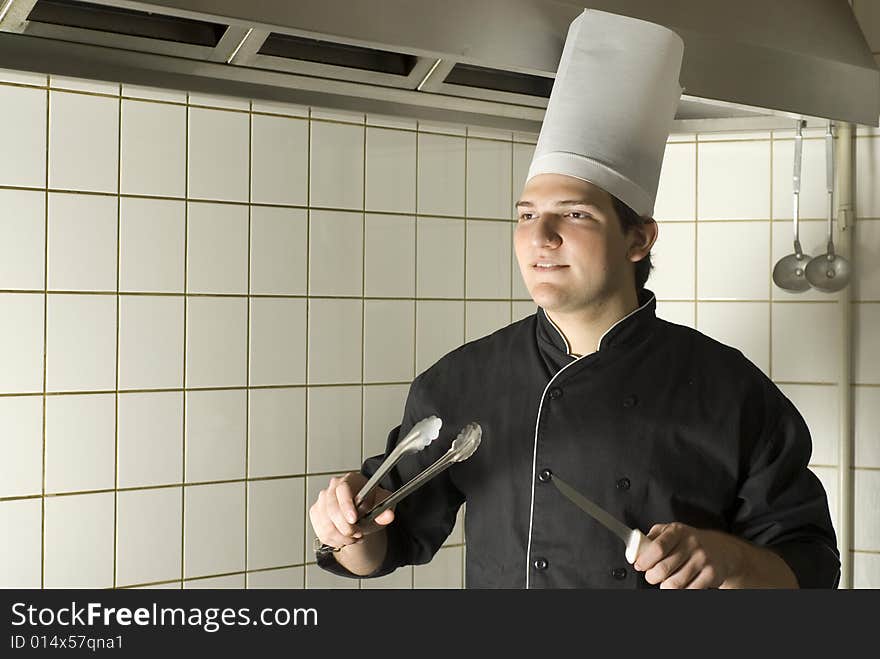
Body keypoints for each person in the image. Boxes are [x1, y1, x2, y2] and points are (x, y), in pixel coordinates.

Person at [308, 9, 840, 589]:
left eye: (575, 215)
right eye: (528, 216)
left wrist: (733, 561)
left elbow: (809, 567)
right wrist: (347, 527)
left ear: (638, 237)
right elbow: (388, 543)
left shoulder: (730, 391)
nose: (541, 237)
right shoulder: (460, 382)